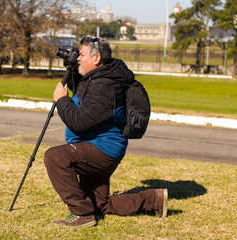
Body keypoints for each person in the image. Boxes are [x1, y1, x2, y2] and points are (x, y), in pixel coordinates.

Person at [44, 36, 168, 228]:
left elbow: (79, 122)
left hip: (102, 149)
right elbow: (81, 87)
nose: (78, 58)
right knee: (99, 204)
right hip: (98, 145)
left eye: (81, 55)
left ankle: (81, 214)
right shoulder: (98, 76)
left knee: (55, 157)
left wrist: (62, 100)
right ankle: (154, 199)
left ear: (96, 58)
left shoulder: (106, 86)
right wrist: (72, 66)